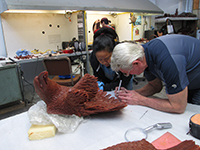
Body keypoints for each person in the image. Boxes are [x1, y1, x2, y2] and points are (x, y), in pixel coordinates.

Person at [111, 34, 200, 114]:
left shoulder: (168, 61)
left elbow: (178, 106)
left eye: (127, 73)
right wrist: (131, 94)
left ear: (136, 63)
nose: (128, 75)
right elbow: (155, 86)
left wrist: (141, 100)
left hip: (197, 82)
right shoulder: (144, 54)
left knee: (192, 116)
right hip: (189, 81)